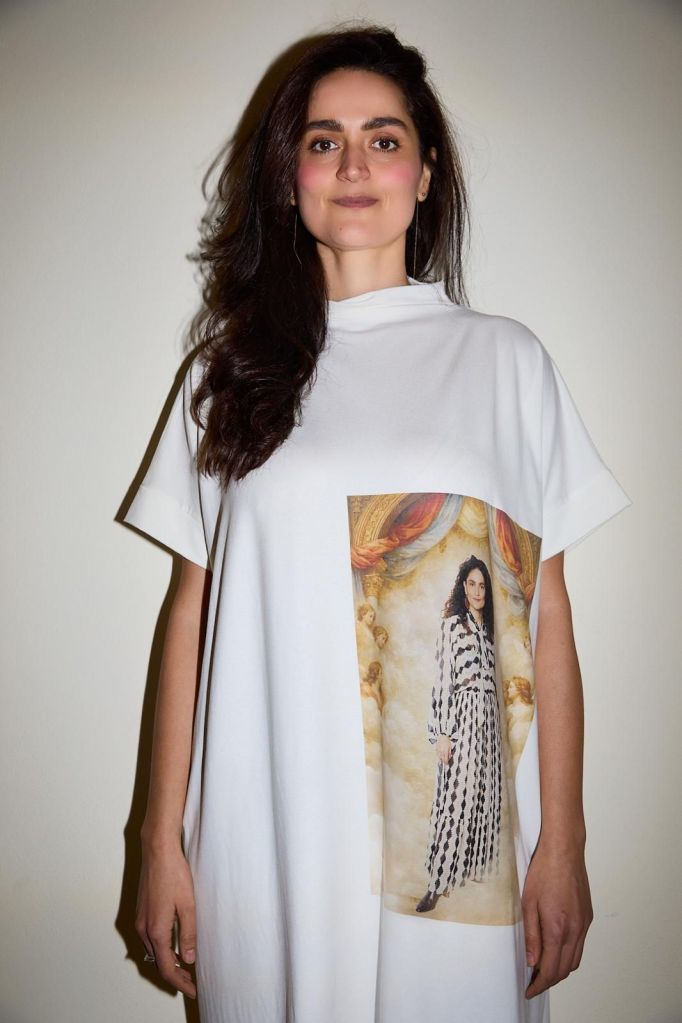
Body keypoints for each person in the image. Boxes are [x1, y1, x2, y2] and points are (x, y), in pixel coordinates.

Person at [120, 24, 632, 1023]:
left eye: (383, 138)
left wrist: (562, 845)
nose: (353, 165)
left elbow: (549, 617)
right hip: (269, 832)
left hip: (454, 842)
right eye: (323, 141)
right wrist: (158, 841)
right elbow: (191, 614)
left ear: (426, 173)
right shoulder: (226, 373)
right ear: (289, 177)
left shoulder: (506, 362)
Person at [417, 555, 502, 912]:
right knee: (456, 798)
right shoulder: (452, 626)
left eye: (483, 585)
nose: (478, 591)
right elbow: (443, 680)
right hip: (463, 717)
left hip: (490, 721)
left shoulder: (492, 632)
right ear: (463, 587)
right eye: (472, 584)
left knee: (485, 797)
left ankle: (473, 877)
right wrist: (443, 733)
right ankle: (436, 884)